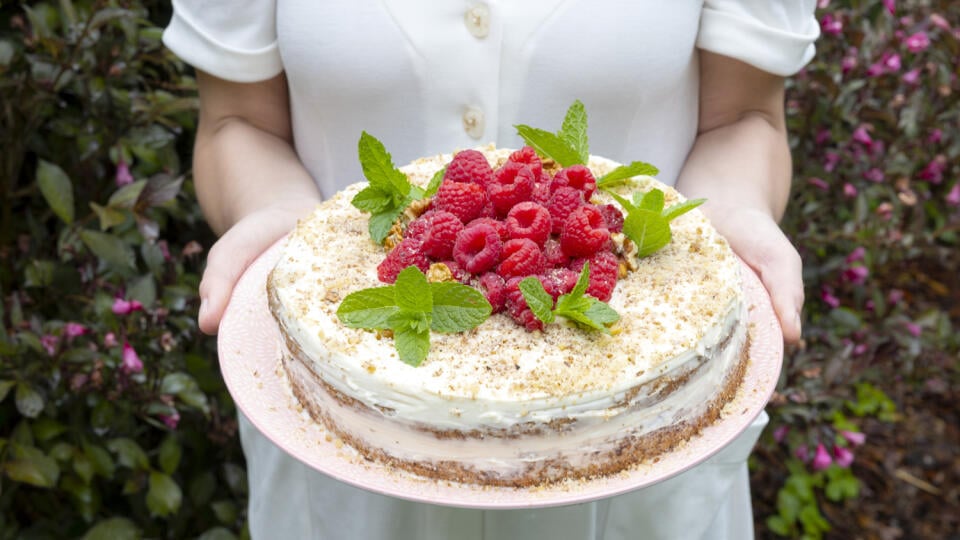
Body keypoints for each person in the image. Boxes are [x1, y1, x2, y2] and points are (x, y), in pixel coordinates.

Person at [163, 1, 818, 538]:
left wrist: (736, 210)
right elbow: (238, 119)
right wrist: (277, 215)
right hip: (344, 454)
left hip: (643, 451)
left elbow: (743, 115)